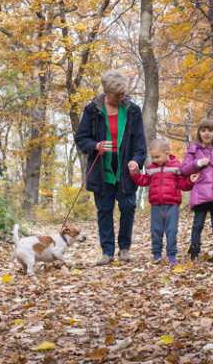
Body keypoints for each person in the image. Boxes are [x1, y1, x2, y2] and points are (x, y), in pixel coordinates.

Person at [74, 70, 146, 265]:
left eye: (124, 94)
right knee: (104, 210)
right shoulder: (92, 110)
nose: (122, 97)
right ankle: (107, 252)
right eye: (118, 95)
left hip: (125, 168)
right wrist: (95, 146)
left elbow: (140, 144)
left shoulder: (133, 110)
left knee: (128, 207)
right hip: (101, 168)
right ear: (107, 92)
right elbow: (81, 138)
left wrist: (137, 161)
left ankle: (124, 249)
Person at [128, 138, 196, 265]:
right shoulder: (151, 168)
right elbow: (143, 181)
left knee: (171, 230)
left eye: (157, 157)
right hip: (156, 205)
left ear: (167, 152)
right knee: (156, 230)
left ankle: (171, 255)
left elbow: (183, 184)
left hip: (172, 205)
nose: (155, 160)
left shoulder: (177, 166)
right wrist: (135, 173)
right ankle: (157, 254)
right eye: (152, 157)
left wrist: (191, 181)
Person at [179, 118, 213, 262]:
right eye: (203, 130)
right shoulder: (193, 150)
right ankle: (194, 252)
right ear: (199, 133)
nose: (207, 133)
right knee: (198, 224)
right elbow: (183, 169)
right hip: (201, 192)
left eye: (210, 130)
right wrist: (197, 163)